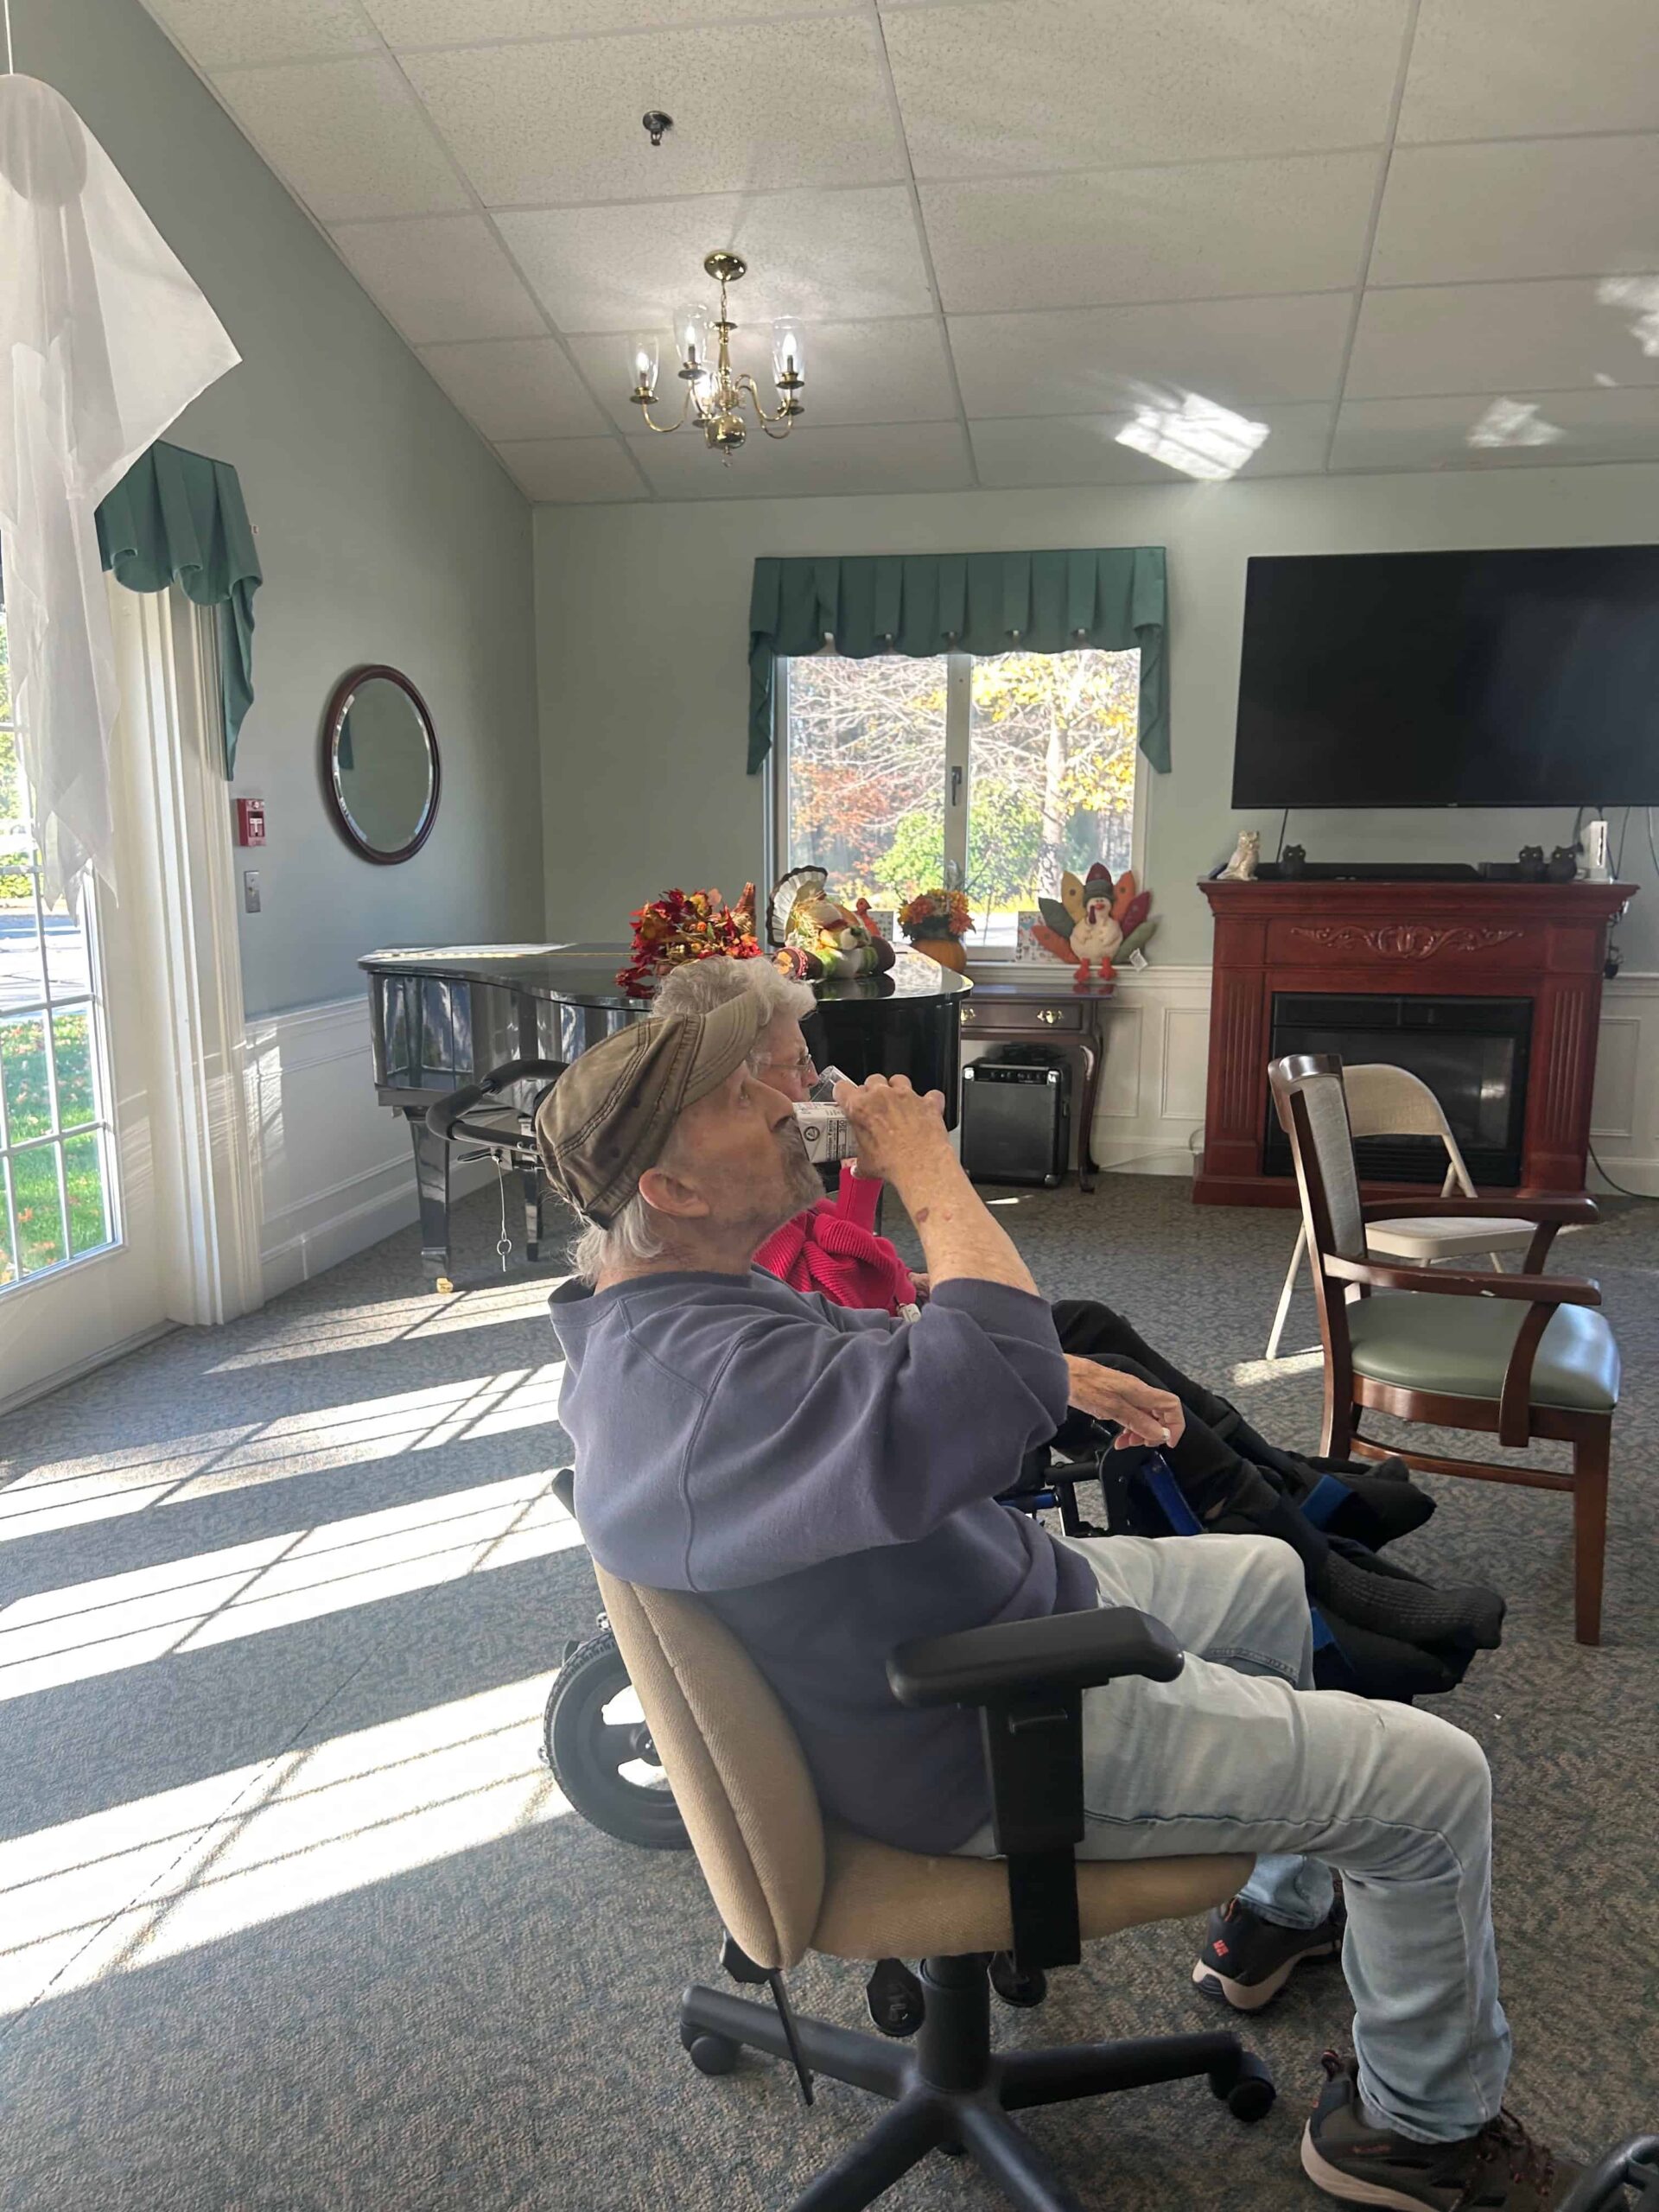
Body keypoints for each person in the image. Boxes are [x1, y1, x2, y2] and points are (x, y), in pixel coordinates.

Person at [537, 998, 1582, 2209]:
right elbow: (991, 1382)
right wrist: (927, 1167)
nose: (787, 1104)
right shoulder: (712, 1380)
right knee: (1434, 1782)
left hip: (977, 1606)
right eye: (741, 1098)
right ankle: (1418, 2135)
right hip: (982, 1725)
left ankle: (1277, 1913)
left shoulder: (665, 1313)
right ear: (670, 1189)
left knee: (1268, 1576)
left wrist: (1051, 1362)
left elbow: (893, 1361)